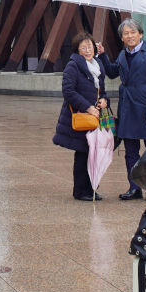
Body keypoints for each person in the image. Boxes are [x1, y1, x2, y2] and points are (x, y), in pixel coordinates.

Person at [105, 19, 146, 201]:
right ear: (122, 38)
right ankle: (134, 187)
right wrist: (102, 55)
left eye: (133, 32)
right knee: (130, 151)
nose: (130, 36)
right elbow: (112, 73)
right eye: (126, 33)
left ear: (140, 34)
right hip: (128, 107)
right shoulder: (122, 54)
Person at [53, 30, 109, 202]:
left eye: (90, 47)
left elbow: (102, 92)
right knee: (83, 154)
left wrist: (104, 101)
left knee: (93, 154)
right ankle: (80, 191)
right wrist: (88, 107)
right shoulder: (73, 66)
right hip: (82, 115)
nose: (87, 50)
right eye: (83, 47)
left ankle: (91, 189)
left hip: (95, 117)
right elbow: (68, 91)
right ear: (77, 50)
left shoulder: (98, 66)